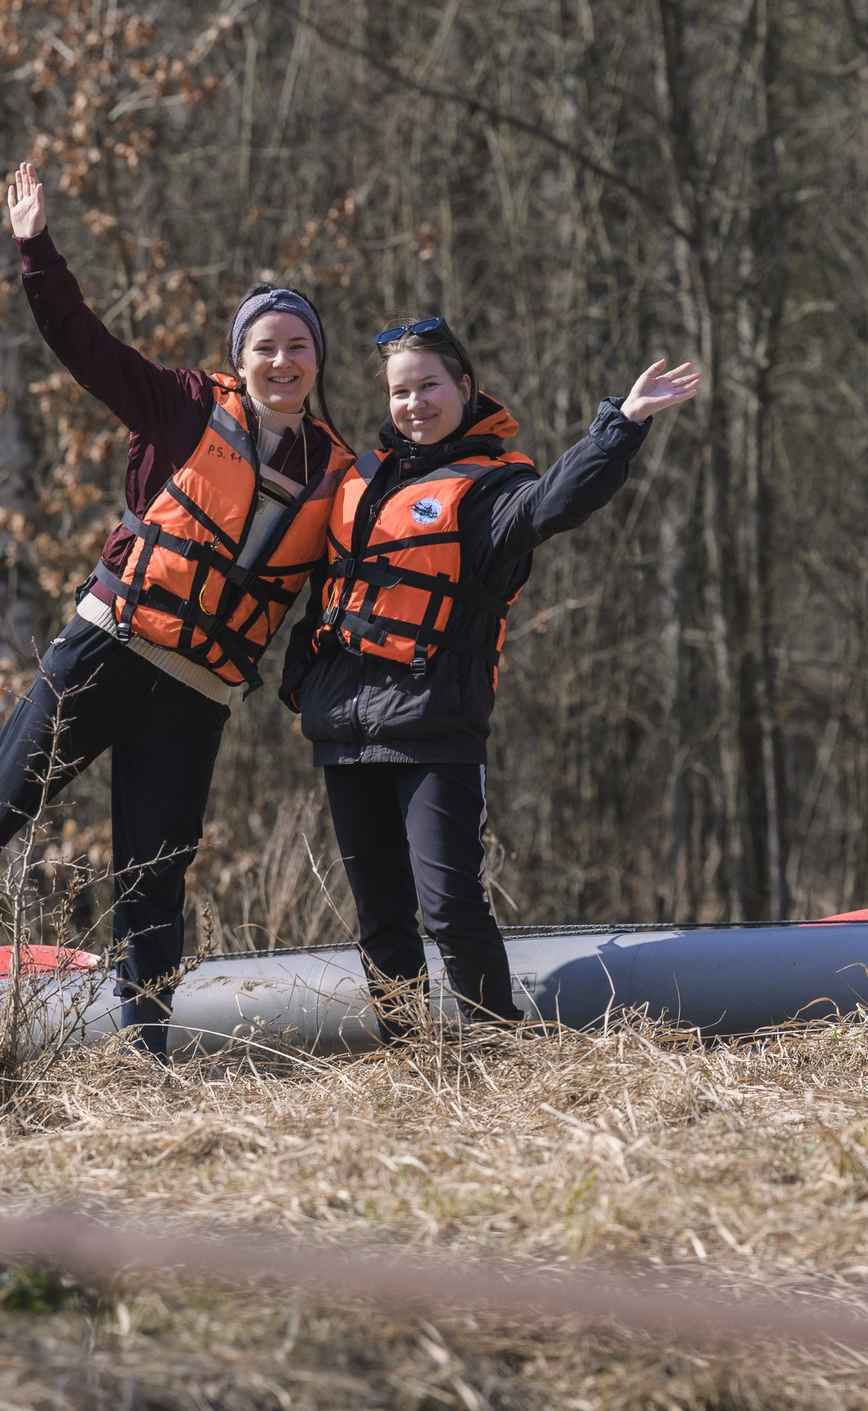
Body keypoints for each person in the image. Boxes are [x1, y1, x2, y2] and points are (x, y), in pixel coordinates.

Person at [0, 161, 350, 1056]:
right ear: (240, 357)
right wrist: (36, 249)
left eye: (298, 347)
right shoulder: (180, 405)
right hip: (107, 647)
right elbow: (80, 340)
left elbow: (335, 599)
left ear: (317, 361)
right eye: (265, 346)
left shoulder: (336, 471)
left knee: (157, 869)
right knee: (2, 801)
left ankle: (145, 1040)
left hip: (197, 691)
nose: (282, 362)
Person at [281, 318, 699, 1035]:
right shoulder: (359, 480)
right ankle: (410, 1053)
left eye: (429, 386)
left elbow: (554, 503)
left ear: (465, 388)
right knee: (381, 916)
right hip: (345, 729)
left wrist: (620, 426)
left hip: (433, 725)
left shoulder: (492, 490)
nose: (415, 403)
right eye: (400, 391)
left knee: (449, 906)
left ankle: (495, 1046)